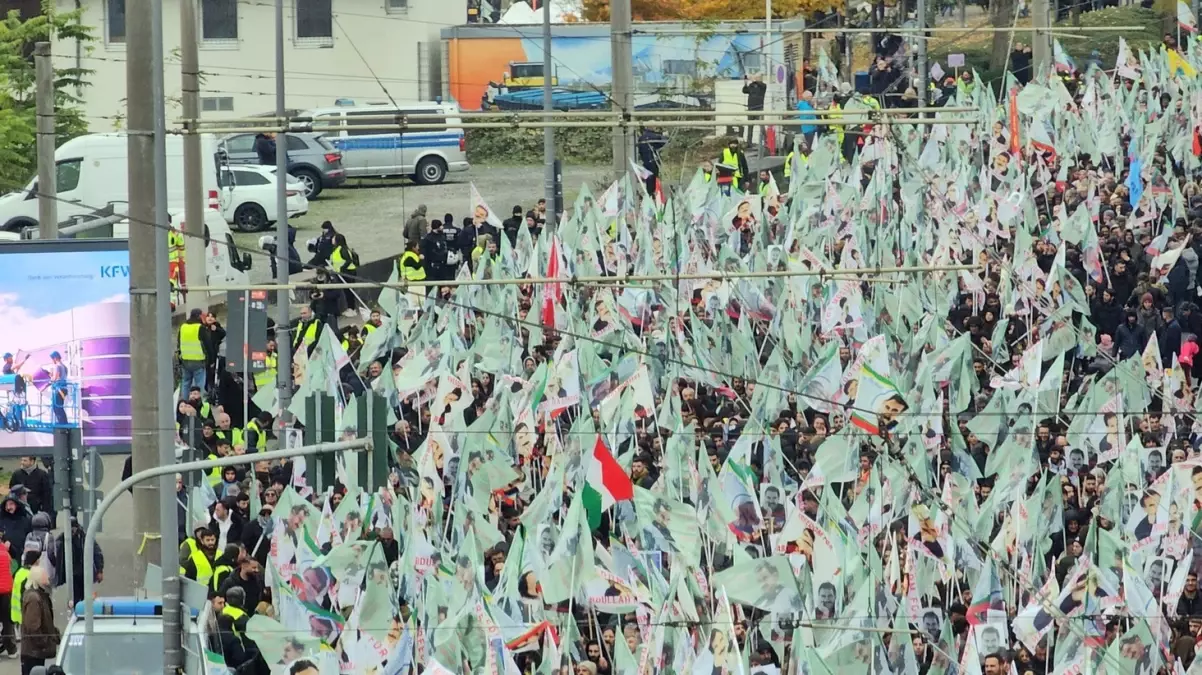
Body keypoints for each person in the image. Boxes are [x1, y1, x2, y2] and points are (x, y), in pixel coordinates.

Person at [53, 517, 104, 607]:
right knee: (75, 598)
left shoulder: (84, 537)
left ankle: (84, 613)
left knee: (86, 596)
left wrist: (99, 570)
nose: (72, 532)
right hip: (72, 574)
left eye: (73, 529)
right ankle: (76, 612)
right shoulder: (62, 539)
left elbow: (97, 553)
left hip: (84, 572)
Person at [19, 566, 58, 675]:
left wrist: (54, 636)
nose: (48, 577)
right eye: (45, 575)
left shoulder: (40, 596)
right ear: (38, 578)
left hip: (36, 652)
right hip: (33, 653)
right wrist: (47, 641)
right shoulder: (34, 599)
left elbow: (46, 623)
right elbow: (33, 627)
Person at [178, 309, 208, 395]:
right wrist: (210, 359)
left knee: (186, 383)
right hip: (198, 361)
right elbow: (207, 344)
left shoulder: (183, 327)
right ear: (198, 316)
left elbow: (179, 342)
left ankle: (184, 403)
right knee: (199, 385)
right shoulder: (200, 327)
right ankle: (199, 404)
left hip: (185, 361)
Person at [637, 126, 668, 197]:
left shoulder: (641, 137)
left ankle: (649, 193)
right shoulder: (655, 136)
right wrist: (664, 136)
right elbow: (663, 143)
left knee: (648, 178)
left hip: (645, 161)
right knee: (654, 178)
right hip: (653, 161)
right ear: (654, 128)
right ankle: (653, 194)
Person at [422, 218, 451, 285]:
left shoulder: (442, 236)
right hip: (432, 265)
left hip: (443, 265)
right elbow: (425, 251)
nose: (442, 227)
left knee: (443, 284)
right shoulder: (428, 238)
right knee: (432, 284)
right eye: (441, 225)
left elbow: (445, 246)